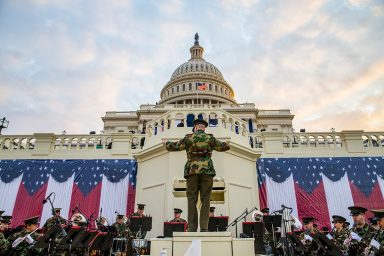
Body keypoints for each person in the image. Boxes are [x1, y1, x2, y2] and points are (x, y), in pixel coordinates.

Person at [164, 119, 230, 232]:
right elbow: (224, 147)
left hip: (192, 172)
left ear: (195, 128)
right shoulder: (210, 139)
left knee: (191, 199)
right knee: (206, 199)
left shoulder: (188, 138)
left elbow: (174, 147)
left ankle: (192, 228)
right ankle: (204, 227)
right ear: (204, 128)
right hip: (207, 172)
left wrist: (166, 144)